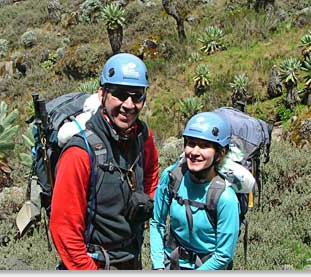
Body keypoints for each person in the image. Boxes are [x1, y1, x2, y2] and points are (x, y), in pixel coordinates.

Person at [49, 53, 159, 270]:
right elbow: (64, 228)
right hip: (94, 264)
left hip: (131, 257)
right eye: (119, 94)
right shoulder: (80, 153)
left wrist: (144, 203)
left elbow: (151, 171)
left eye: (137, 96)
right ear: (102, 94)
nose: (129, 105)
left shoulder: (142, 135)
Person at [150, 112, 240, 270]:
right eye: (191, 143)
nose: (194, 152)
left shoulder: (225, 198)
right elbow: (157, 222)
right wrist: (158, 265)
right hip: (171, 263)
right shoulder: (172, 177)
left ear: (220, 154)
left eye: (204, 146)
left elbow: (223, 255)